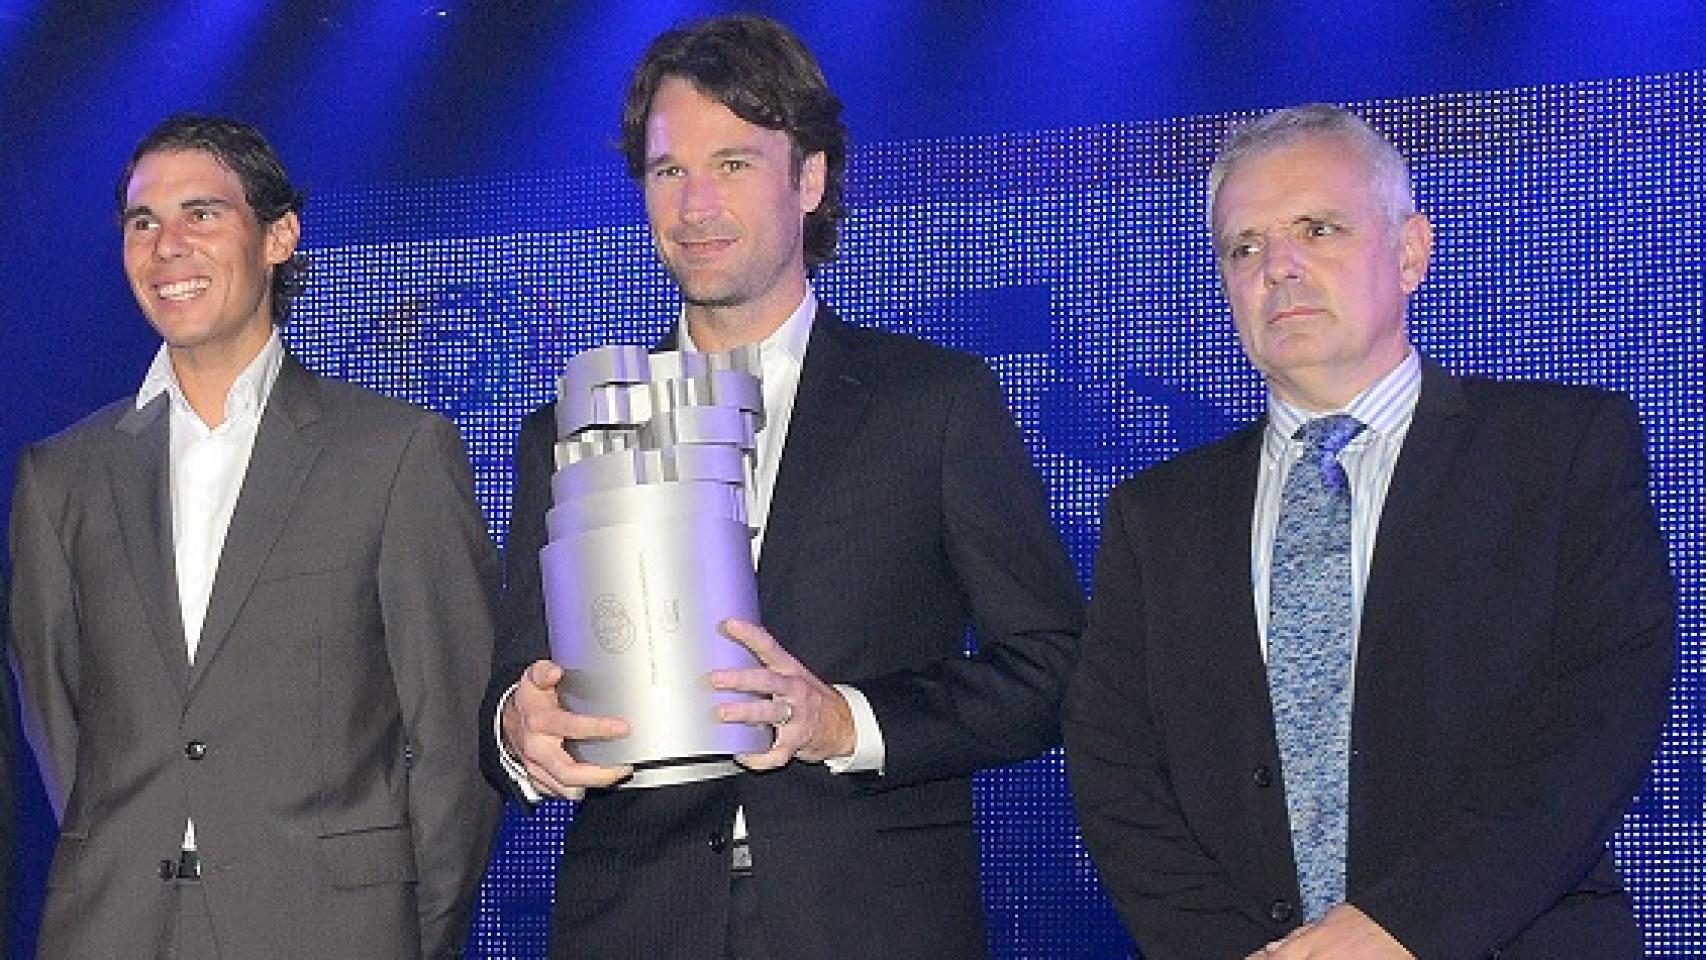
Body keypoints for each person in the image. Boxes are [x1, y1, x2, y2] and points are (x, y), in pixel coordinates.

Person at [479, 14, 1084, 959]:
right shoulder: (573, 427)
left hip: (869, 918)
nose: (693, 207)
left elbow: (1050, 669)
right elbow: (508, 687)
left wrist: (845, 719)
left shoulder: (932, 402)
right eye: (669, 170)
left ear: (808, 178)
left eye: (732, 165)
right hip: (633, 921)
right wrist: (522, 731)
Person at [1064, 103, 1675, 960]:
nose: (1279, 267)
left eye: (1318, 229)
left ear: (1411, 250)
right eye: (1245, 247)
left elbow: (1595, 724)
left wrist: (1400, 930)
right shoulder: (1157, 514)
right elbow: (1115, 770)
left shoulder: (1561, 453)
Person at [8, 114, 501, 958]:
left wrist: (406, 937)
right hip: (115, 930)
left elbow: (454, 738)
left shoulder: (395, 453)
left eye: (201, 214)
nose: (166, 246)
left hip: (334, 932)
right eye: (141, 222)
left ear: (279, 237)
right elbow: (61, 731)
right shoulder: (62, 476)